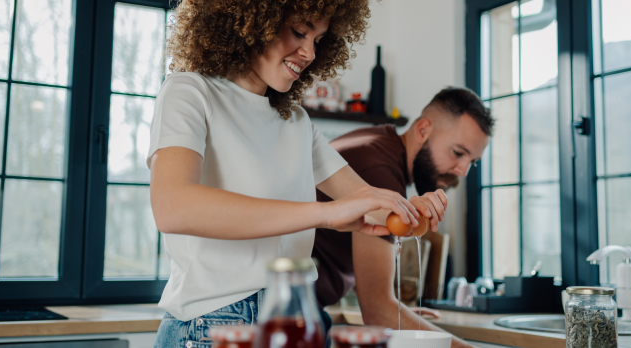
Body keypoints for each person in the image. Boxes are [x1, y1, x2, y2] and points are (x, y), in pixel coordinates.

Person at [147, 1, 446, 347]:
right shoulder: (190, 92)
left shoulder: (297, 123)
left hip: (299, 321)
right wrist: (325, 215)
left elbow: (366, 202)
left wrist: (412, 211)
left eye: (318, 40)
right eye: (299, 32)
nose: (308, 52)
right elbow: (173, 207)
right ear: (251, 19)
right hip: (215, 325)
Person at [312, 87, 493, 348]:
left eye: (472, 161)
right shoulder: (380, 172)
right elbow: (377, 312)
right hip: (285, 309)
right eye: (457, 152)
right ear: (422, 130)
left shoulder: (378, 145)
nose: (463, 171)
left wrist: (401, 317)